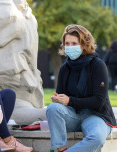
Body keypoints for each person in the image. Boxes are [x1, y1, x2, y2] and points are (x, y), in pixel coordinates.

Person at [46, 24, 116, 152]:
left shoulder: (98, 65)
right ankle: (60, 148)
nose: (70, 47)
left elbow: (98, 102)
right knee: (53, 108)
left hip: (96, 116)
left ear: (84, 44)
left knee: (97, 138)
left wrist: (69, 101)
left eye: (74, 43)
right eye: (67, 43)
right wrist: (59, 100)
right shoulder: (64, 69)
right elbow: (63, 102)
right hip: (73, 115)